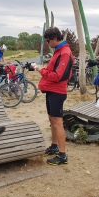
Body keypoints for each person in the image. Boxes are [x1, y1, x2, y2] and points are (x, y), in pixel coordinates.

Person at [32, 27, 74, 166]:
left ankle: (62, 155)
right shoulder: (58, 51)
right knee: (52, 120)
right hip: (51, 90)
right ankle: (54, 146)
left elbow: (57, 76)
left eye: (49, 41)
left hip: (57, 91)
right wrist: (43, 69)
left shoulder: (65, 53)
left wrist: (41, 70)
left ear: (55, 38)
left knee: (57, 122)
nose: (48, 44)